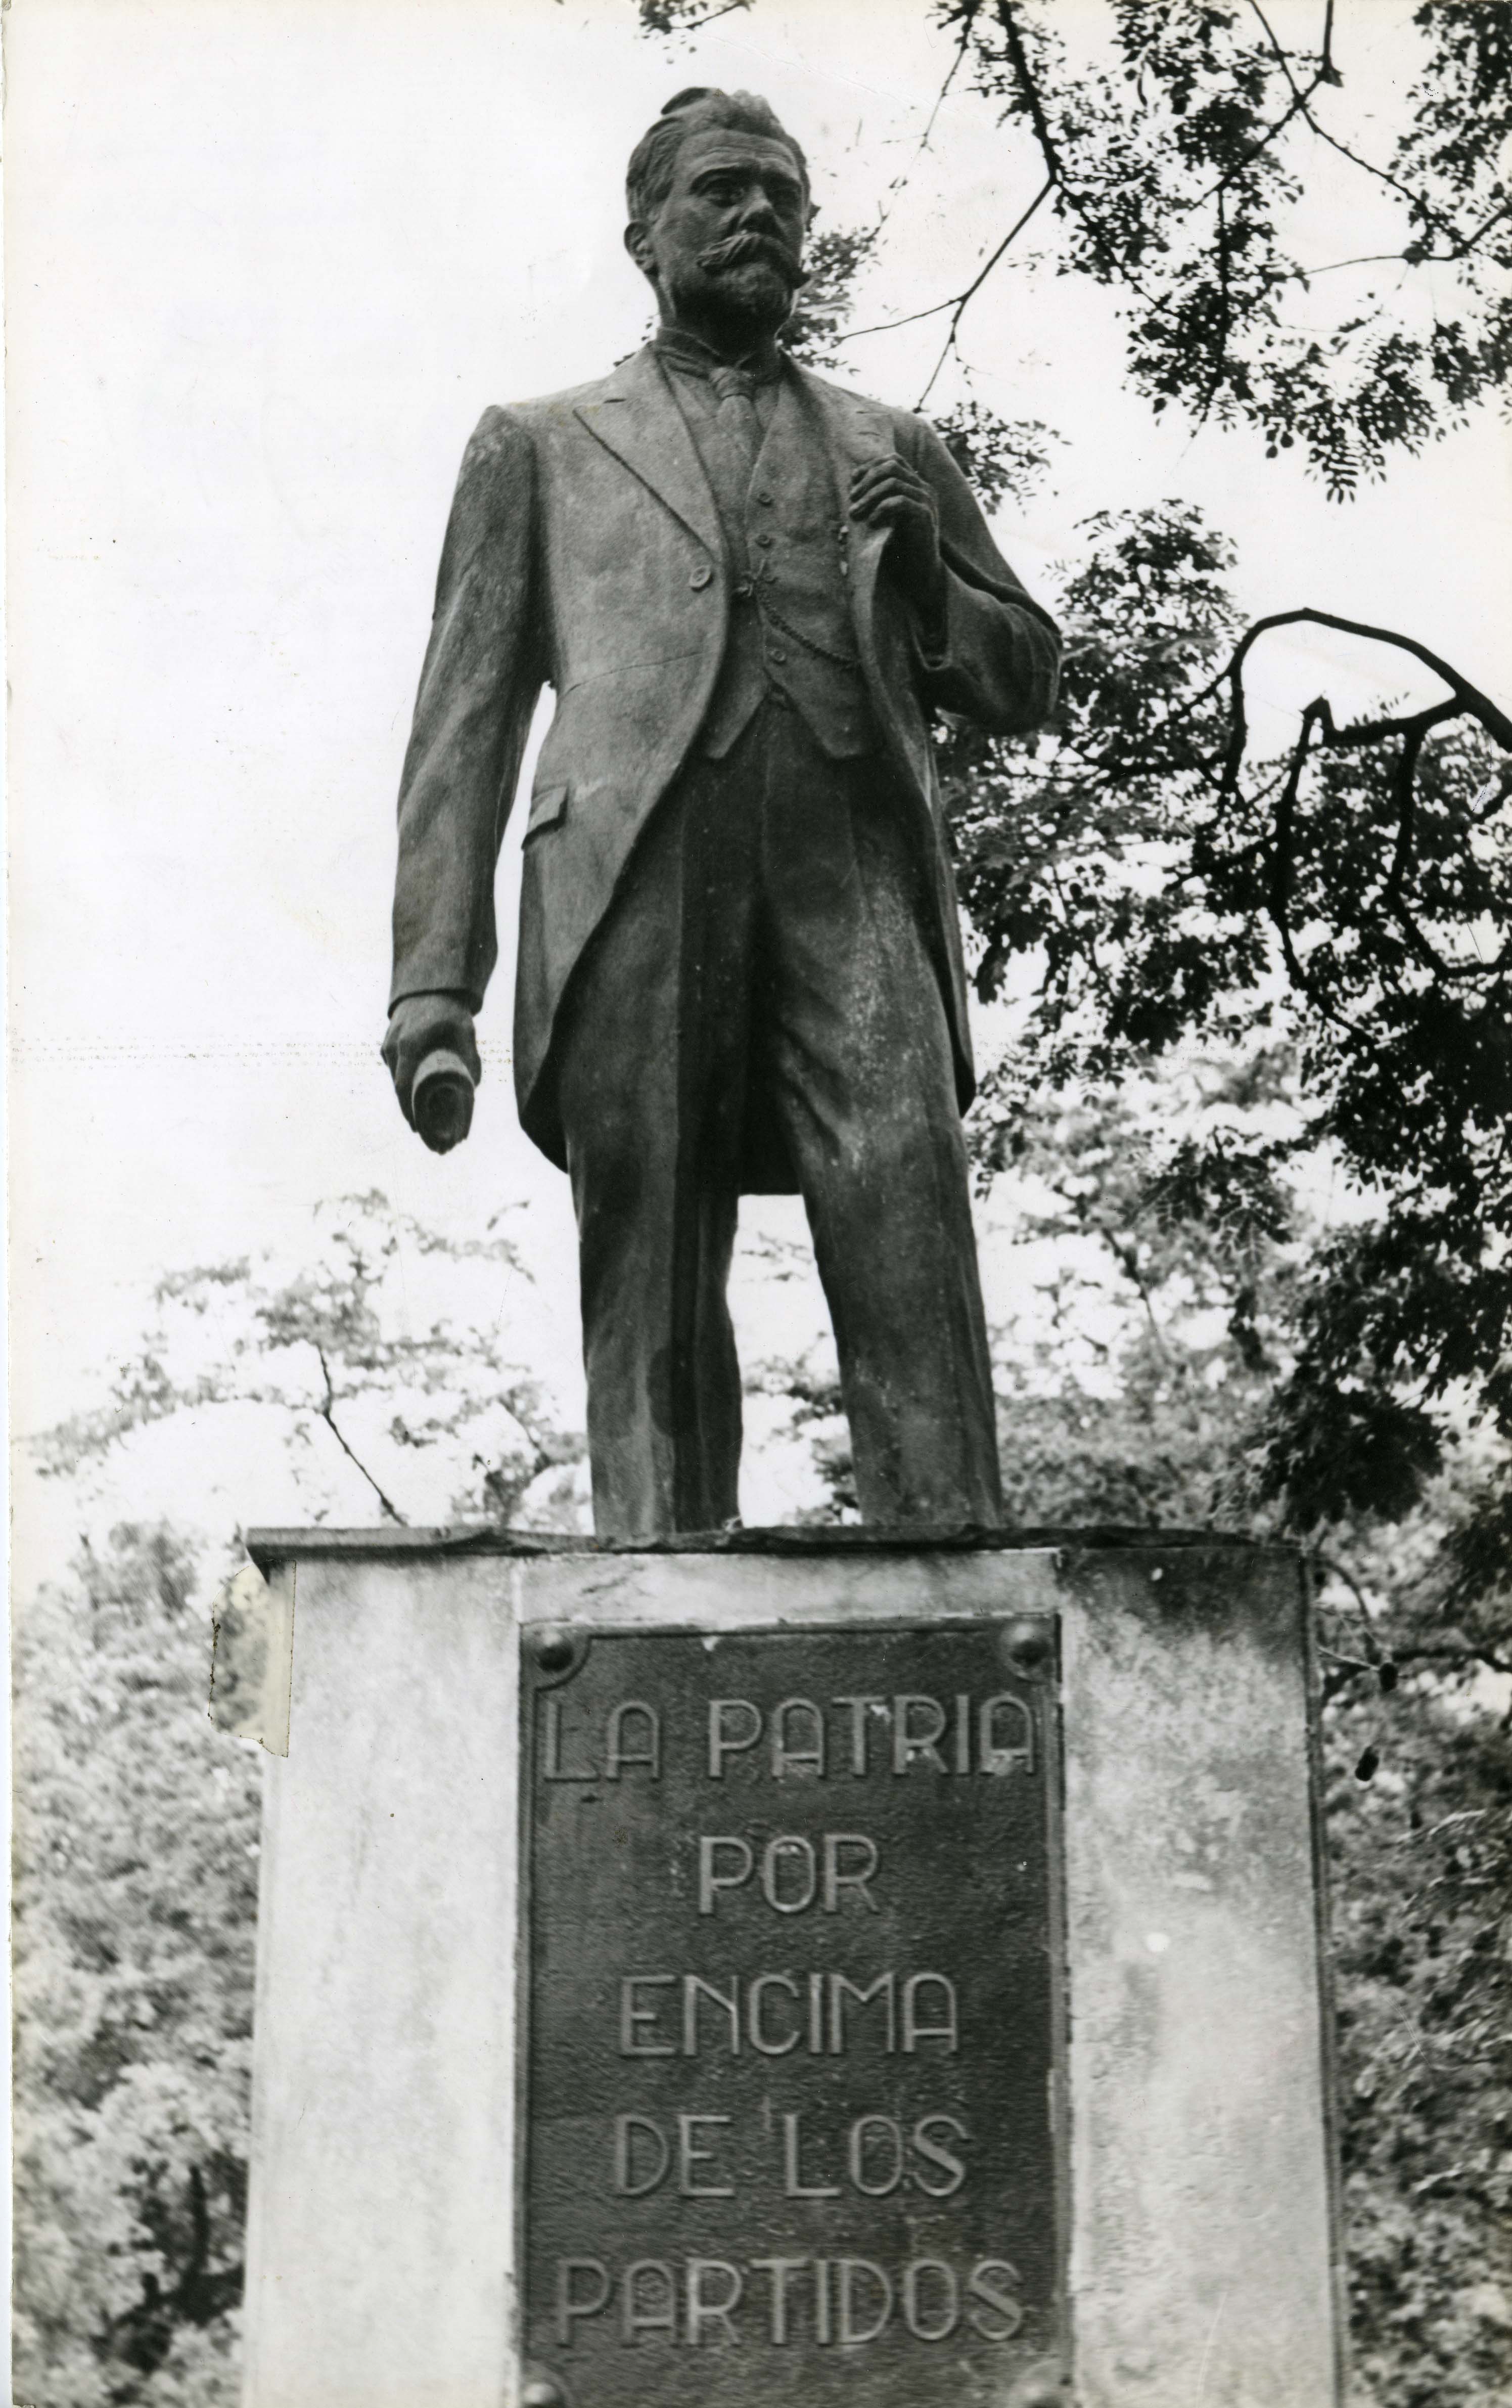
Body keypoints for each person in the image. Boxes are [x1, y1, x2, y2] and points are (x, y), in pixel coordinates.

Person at [382, 87, 1061, 1538]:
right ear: (645, 234)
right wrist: (434, 984)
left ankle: (952, 1556)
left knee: (905, 1202)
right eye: (721, 190)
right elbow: (464, 723)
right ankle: (658, 1563)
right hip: (630, 870)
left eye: (782, 197)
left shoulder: (892, 443)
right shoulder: (538, 442)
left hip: (853, 864)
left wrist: (924, 574)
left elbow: (1025, 677)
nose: (759, 215)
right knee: (651, 1254)